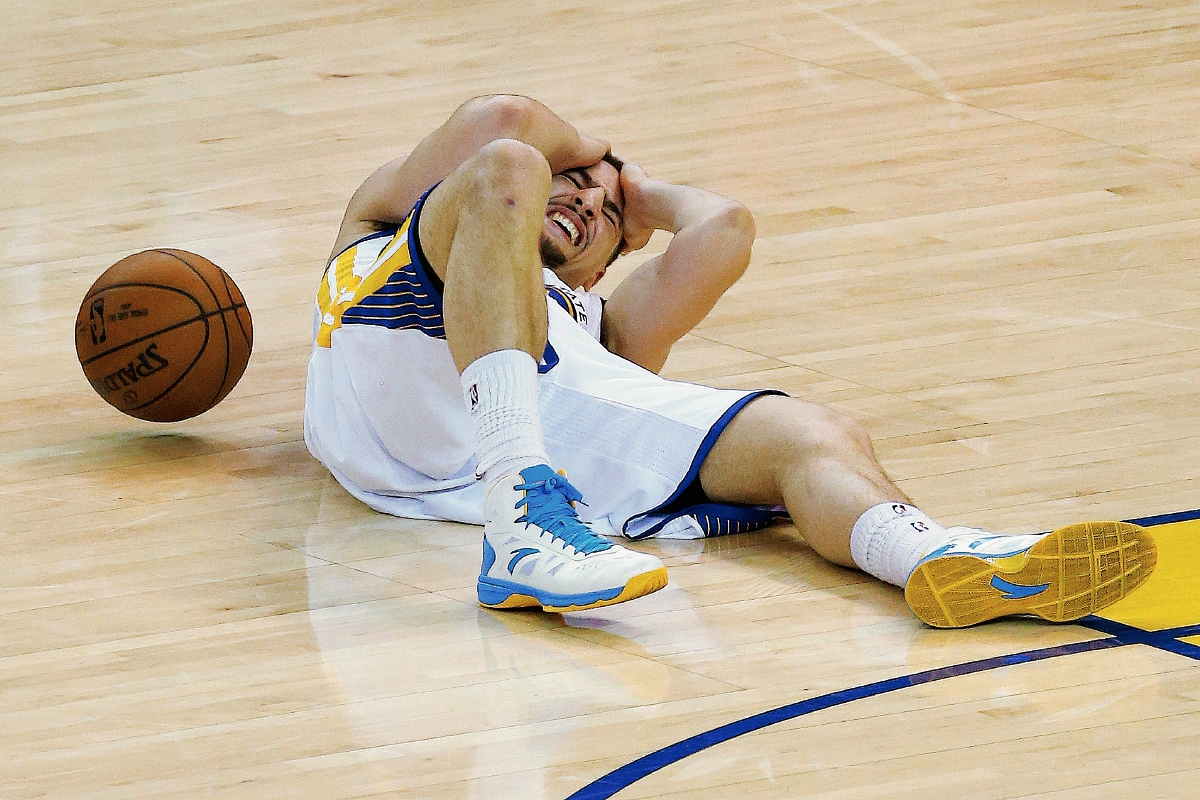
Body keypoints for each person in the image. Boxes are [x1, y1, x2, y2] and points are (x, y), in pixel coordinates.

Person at [304, 94, 1157, 627]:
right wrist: (596, 159)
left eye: (603, 214)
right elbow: (503, 127)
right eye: (572, 184)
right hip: (402, 359)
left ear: (606, 266)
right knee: (504, 164)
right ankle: (519, 515)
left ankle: (936, 559)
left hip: (540, 435)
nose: (583, 199)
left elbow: (726, 231)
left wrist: (638, 199)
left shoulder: (601, 320)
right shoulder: (387, 221)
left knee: (810, 432)